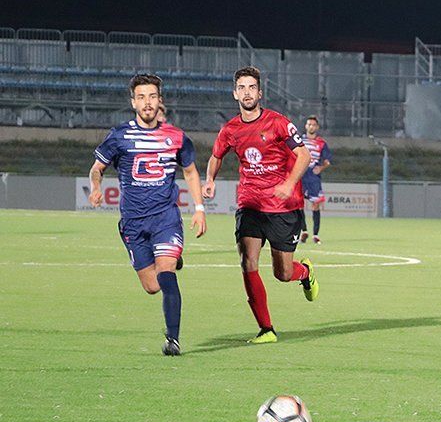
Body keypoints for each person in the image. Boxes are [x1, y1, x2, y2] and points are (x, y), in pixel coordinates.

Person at [89, 73, 207, 356]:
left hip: (165, 217)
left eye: (152, 97)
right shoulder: (119, 136)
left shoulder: (176, 137)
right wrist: (95, 186)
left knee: (166, 273)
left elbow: (190, 171)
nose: (147, 102)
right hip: (133, 222)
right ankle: (172, 262)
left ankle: (173, 339)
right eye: (141, 97)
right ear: (133, 102)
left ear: (160, 101)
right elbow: (97, 168)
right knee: (152, 286)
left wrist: (199, 208)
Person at [203, 66, 319, 344]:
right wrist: (210, 179)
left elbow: (303, 155)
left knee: (283, 273)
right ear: (235, 93)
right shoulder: (230, 129)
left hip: (283, 205)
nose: (247, 92)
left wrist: (289, 183)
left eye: (251, 87)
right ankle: (266, 329)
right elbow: (216, 155)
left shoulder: (278, 122)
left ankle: (305, 273)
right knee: (247, 261)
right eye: (241, 87)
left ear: (260, 92)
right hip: (250, 203)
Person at [298, 115, 333, 244]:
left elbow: (327, 161)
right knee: (298, 203)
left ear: (317, 127)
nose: (311, 126)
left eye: (313, 125)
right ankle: (304, 231)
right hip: (301, 174)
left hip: (313, 177)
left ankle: (316, 234)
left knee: (315, 204)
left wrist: (321, 168)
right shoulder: (299, 140)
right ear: (306, 126)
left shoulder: (321, 143)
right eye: (309, 124)